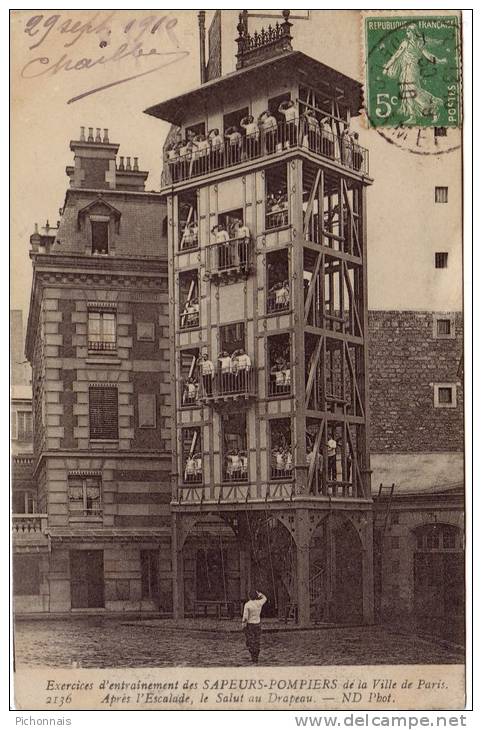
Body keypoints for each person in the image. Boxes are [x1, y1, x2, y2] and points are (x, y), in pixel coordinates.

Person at [242, 590, 267, 664]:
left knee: (250, 640)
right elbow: (265, 598)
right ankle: (256, 655)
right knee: (257, 640)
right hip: (257, 623)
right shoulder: (259, 603)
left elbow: (245, 617)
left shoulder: (247, 605)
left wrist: (243, 625)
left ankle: (253, 655)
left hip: (250, 624)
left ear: (249, 596)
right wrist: (260, 594)